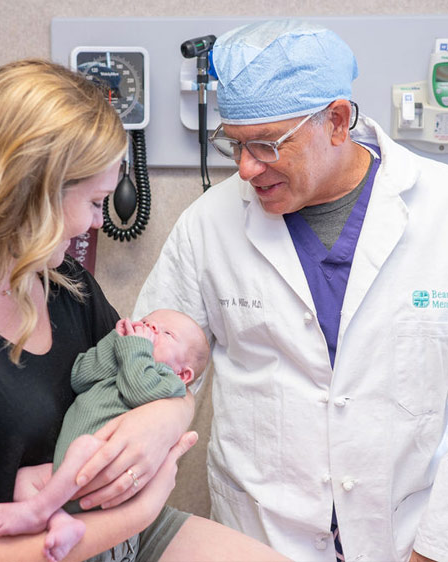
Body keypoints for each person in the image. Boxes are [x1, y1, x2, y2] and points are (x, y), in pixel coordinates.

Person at [0, 58, 288, 562]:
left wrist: (165, 419)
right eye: (95, 201)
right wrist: (136, 513)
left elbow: (159, 376)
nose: (99, 222)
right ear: (31, 195)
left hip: (116, 536)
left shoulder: (62, 284)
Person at [134, 19, 448, 562]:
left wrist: (435, 547)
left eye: (267, 145)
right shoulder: (208, 226)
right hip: (258, 538)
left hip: (410, 536)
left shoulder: (439, 211)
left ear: (337, 121)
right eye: (233, 145)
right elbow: (150, 372)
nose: (247, 168)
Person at [0, 309, 210, 562]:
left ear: (183, 373)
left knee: (83, 445)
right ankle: (60, 521)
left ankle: (39, 510)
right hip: (65, 473)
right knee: (24, 479)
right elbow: (80, 377)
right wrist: (115, 340)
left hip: (102, 471)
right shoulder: (123, 359)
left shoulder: (167, 381)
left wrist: (136, 346)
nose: (151, 329)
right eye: (147, 323)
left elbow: (138, 390)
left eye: (166, 333)